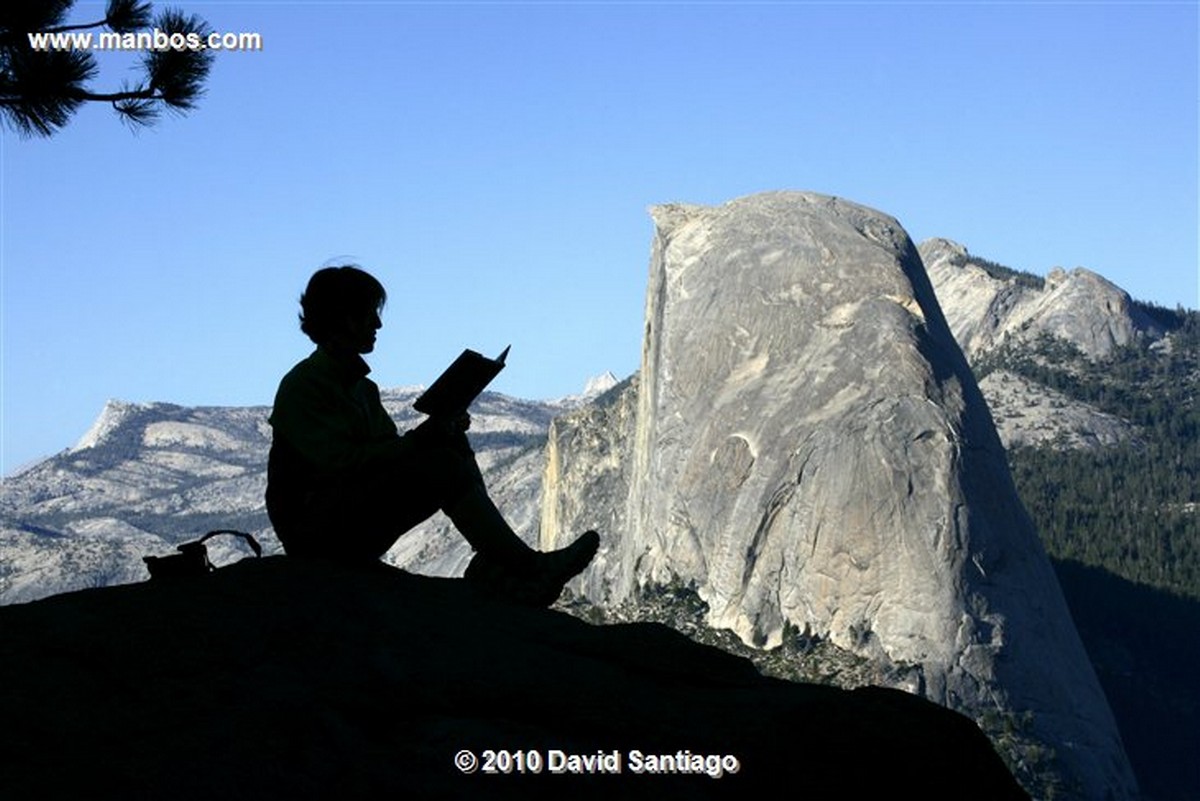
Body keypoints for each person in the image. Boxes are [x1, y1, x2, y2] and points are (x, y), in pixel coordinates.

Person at [265, 266, 599, 605]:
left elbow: (386, 454)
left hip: (343, 513)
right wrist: (420, 440)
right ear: (342, 318)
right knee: (440, 464)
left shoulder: (362, 389)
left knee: (448, 443)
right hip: (314, 530)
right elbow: (342, 463)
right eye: (368, 314)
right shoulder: (303, 386)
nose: (377, 324)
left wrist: (439, 430)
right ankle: (528, 567)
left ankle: (499, 562)